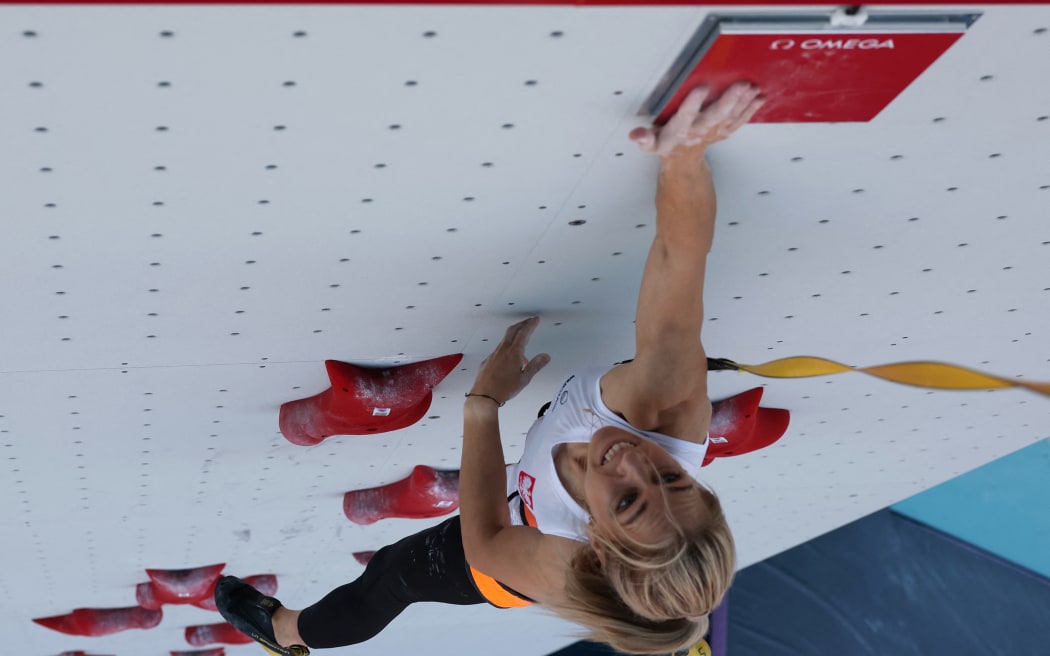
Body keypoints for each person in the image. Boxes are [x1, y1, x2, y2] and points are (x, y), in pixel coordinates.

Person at [215, 81, 766, 656]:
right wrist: (684, 156)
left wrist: (483, 406)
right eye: (671, 477)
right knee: (655, 375)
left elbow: (483, 541)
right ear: (700, 486)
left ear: (597, 545)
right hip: (546, 485)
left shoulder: (565, 567)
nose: (632, 460)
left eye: (627, 501)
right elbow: (682, 255)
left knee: (389, 577)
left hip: (507, 551)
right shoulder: (666, 404)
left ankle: (282, 634)